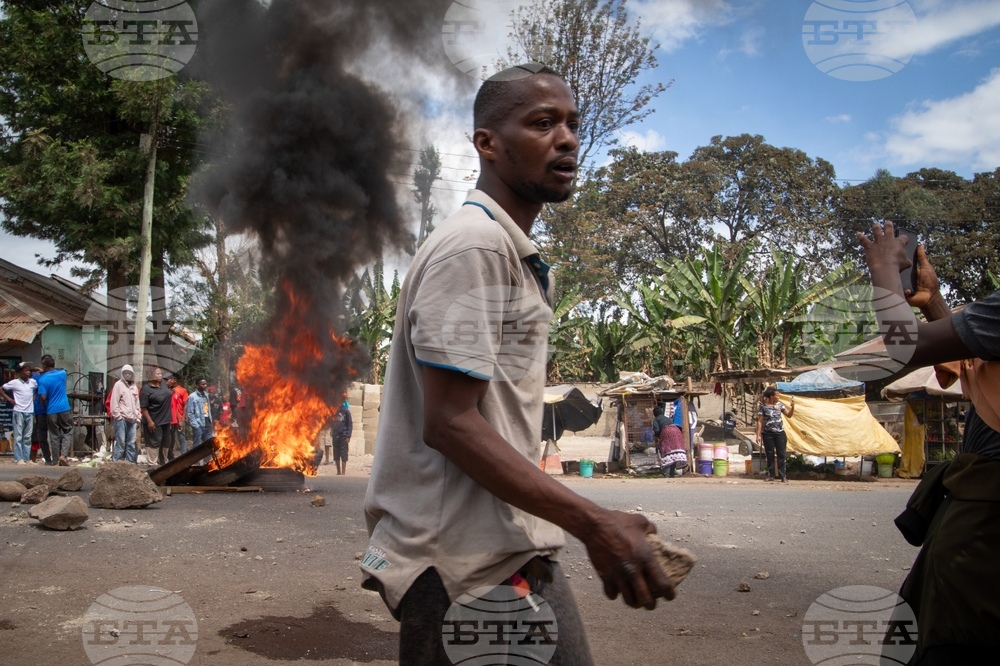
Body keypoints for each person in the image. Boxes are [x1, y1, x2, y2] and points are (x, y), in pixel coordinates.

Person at [361, 63, 673, 664]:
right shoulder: (474, 247)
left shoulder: (506, 249)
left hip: (503, 552)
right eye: (542, 123)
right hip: (465, 570)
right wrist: (593, 521)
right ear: (487, 144)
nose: (567, 138)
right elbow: (448, 420)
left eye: (573, 124)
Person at [858, 221, 1000, 663]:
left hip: (986, 523)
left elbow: (901, 346)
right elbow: (974, 357)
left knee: (948, 637)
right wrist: (932, 301)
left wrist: (883, 269)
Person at [37, 355, 73, 466]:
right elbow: (58, 371)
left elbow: (42, 397)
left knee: (54, 435)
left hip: (51, 410)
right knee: (68, 430)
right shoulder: (62, 374)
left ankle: (55, 461)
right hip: (64, 408)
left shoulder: (42, 379)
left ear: (44, 365)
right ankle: (63, 455)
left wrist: (44, 405)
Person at [756, 386, 795, 482]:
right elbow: (760, 421)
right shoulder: (763, 407)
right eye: (777, 395)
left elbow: (789, 415)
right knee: (769, 454)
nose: (778, 396)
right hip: (768, 434)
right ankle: (771, 475)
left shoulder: (780, 405)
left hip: (779, 433)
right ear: (771, 396)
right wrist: (758, 434)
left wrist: (793, 406)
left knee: (781, 454)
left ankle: (782, 476)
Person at [2, 362, 37, 465]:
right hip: (18, 411)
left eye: (29, 370)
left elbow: (38, 389)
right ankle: (18, 458)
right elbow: (2, 389)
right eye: (25, 370)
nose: (28, 372)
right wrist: (9, 399)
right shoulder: (14, 382)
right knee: (18, 436)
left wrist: (34, 398)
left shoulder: (32, 382)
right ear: (20, 372)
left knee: (27, 437)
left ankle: (26, 458)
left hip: (29, 412)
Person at [139, 367, 173, 465]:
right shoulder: (146, 389)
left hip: (166, 420)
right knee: (154, 442)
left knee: (166, 441)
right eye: (157, 374)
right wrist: (149, 421)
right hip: (154, 420)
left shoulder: (162, 383)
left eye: (160, 374)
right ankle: (152, 465)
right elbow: (143, 407)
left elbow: (170, 385)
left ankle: (164, 463)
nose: (160, 376)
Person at [109, 364, 141, 463]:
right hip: (122, 419)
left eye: (129, 373)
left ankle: (131, 464)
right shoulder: (118, 385)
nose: (127, 375)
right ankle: (117, 463)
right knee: (121, 442)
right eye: (125, 373)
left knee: (131, 443)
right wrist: (118, 416)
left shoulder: (134, 387)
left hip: (132, 419)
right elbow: (114, 402)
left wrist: (138, 417)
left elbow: (137, 404)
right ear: (122, 374)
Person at [652, 404, 687, 478]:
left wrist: (657, 437)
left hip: (667, 433)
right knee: (674, 453)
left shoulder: (656, 419)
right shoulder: (667, 418)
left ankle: (667, 474)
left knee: (667, 452)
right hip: (677, 432)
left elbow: (657, 430)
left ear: (654, 414)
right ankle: (672, 474)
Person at [30, 365, 50, 464]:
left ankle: (50, 459)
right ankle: (50, 459)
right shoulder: (37, 376)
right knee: (40, 436)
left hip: (45, 409)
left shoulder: (49, 375)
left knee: (42, 435)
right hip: (42, 410)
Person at [186, 379, 214, 448]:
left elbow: (207, 410)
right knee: (197, 447)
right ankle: (196, 459)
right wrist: (196, 426)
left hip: (207, 424)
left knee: (209, 446)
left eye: (205, 384)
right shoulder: (192, 397)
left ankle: (208, 459)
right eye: (203, 384)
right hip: (199, 425)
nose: (205, 386)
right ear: (197, 385)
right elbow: (190, 413)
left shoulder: (206, 396)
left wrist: (210, 421)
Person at [167, 374, 189, 456]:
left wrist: (182, 419)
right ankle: (170, 454)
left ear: (175, 380)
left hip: (179, 417)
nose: (170, 381)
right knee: (171, 438)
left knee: (181, 437)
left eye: (171, 379)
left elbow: (186, 405)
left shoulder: (182, 390)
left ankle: (184, 455)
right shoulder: (169, 391)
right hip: (170, 418)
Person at [331, 399, 352, 475]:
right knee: (336, 453)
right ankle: (338, 472)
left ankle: (343, 473)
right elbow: (331, 422)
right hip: (335, 434)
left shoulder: (346, 411)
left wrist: (348, 436)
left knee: (344, 454)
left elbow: (349, 424)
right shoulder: (333, 411)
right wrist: (332, 431)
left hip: (344, 435)